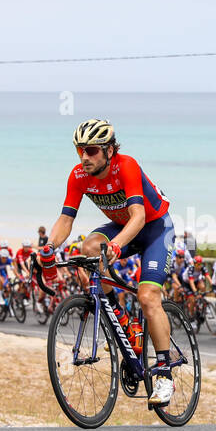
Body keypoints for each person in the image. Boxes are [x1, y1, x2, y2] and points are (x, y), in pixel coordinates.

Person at [43, 118, 179, 407]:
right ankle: (122, 318)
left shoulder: (125, 165)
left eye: (91, 150)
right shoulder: (79, 175)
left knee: (147, 295)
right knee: (87, 251)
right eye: (80, 149)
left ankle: (164, 373)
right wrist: (49, 247)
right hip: (123, 228)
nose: (84, 156)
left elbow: (139, 217)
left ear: (109, 150)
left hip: (154, 229)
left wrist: (116, 245)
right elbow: (66, 219)